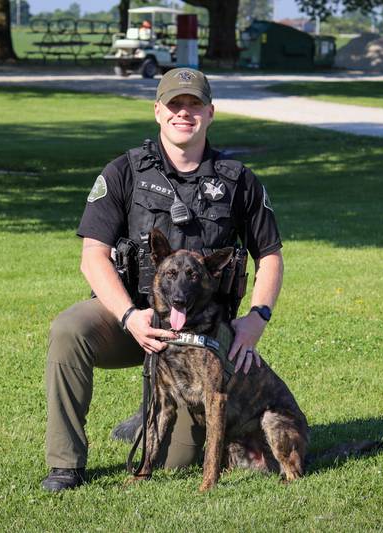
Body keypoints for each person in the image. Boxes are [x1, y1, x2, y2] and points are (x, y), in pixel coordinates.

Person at [41, 68, 284, 492]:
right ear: (158, 111)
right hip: (135, 317)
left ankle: (145, 420)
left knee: (179, 461)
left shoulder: (237, 180)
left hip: (202, 338)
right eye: (174, 105)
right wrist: (130, 316)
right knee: (69, 329)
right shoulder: (125, 172)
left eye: (194, 105)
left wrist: (256, 317)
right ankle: (65, 464)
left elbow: (271, 256)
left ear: (210, 113)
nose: (183, 113)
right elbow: (92, 256)